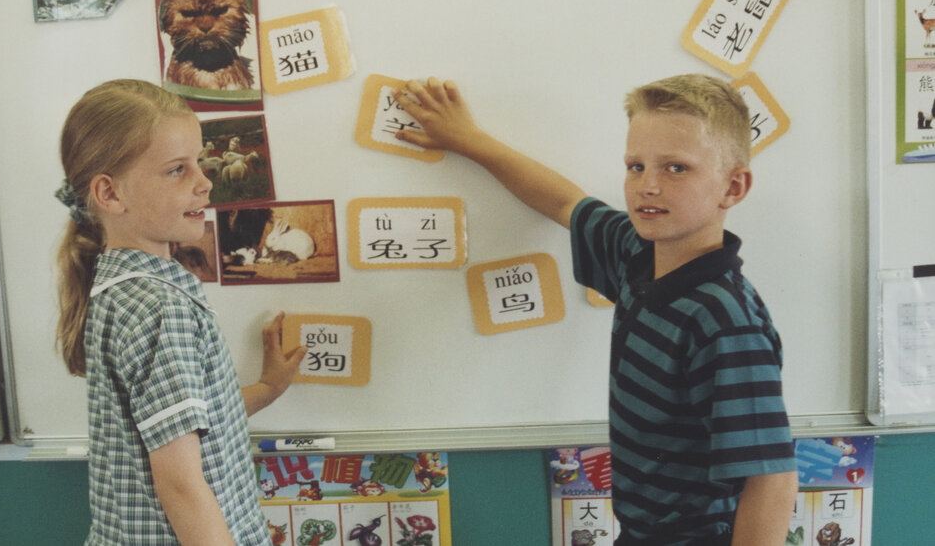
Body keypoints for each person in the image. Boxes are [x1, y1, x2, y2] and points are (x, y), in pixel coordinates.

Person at [393, 76, 798, 546]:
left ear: (733, 186)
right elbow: (565, 201)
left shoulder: (725, 321)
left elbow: (771, 479)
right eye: (635, 166)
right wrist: (469, 140)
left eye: (676, 169)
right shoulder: (638, 254)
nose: (647, 186)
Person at [54, 79, 306, 545]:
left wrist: (267, 389)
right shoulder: (159, 307)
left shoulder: (121, 287)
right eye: (177, 170)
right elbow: (181, 484)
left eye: (200, 161)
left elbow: (181, 428)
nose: (204, 181)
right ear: (110, 194)